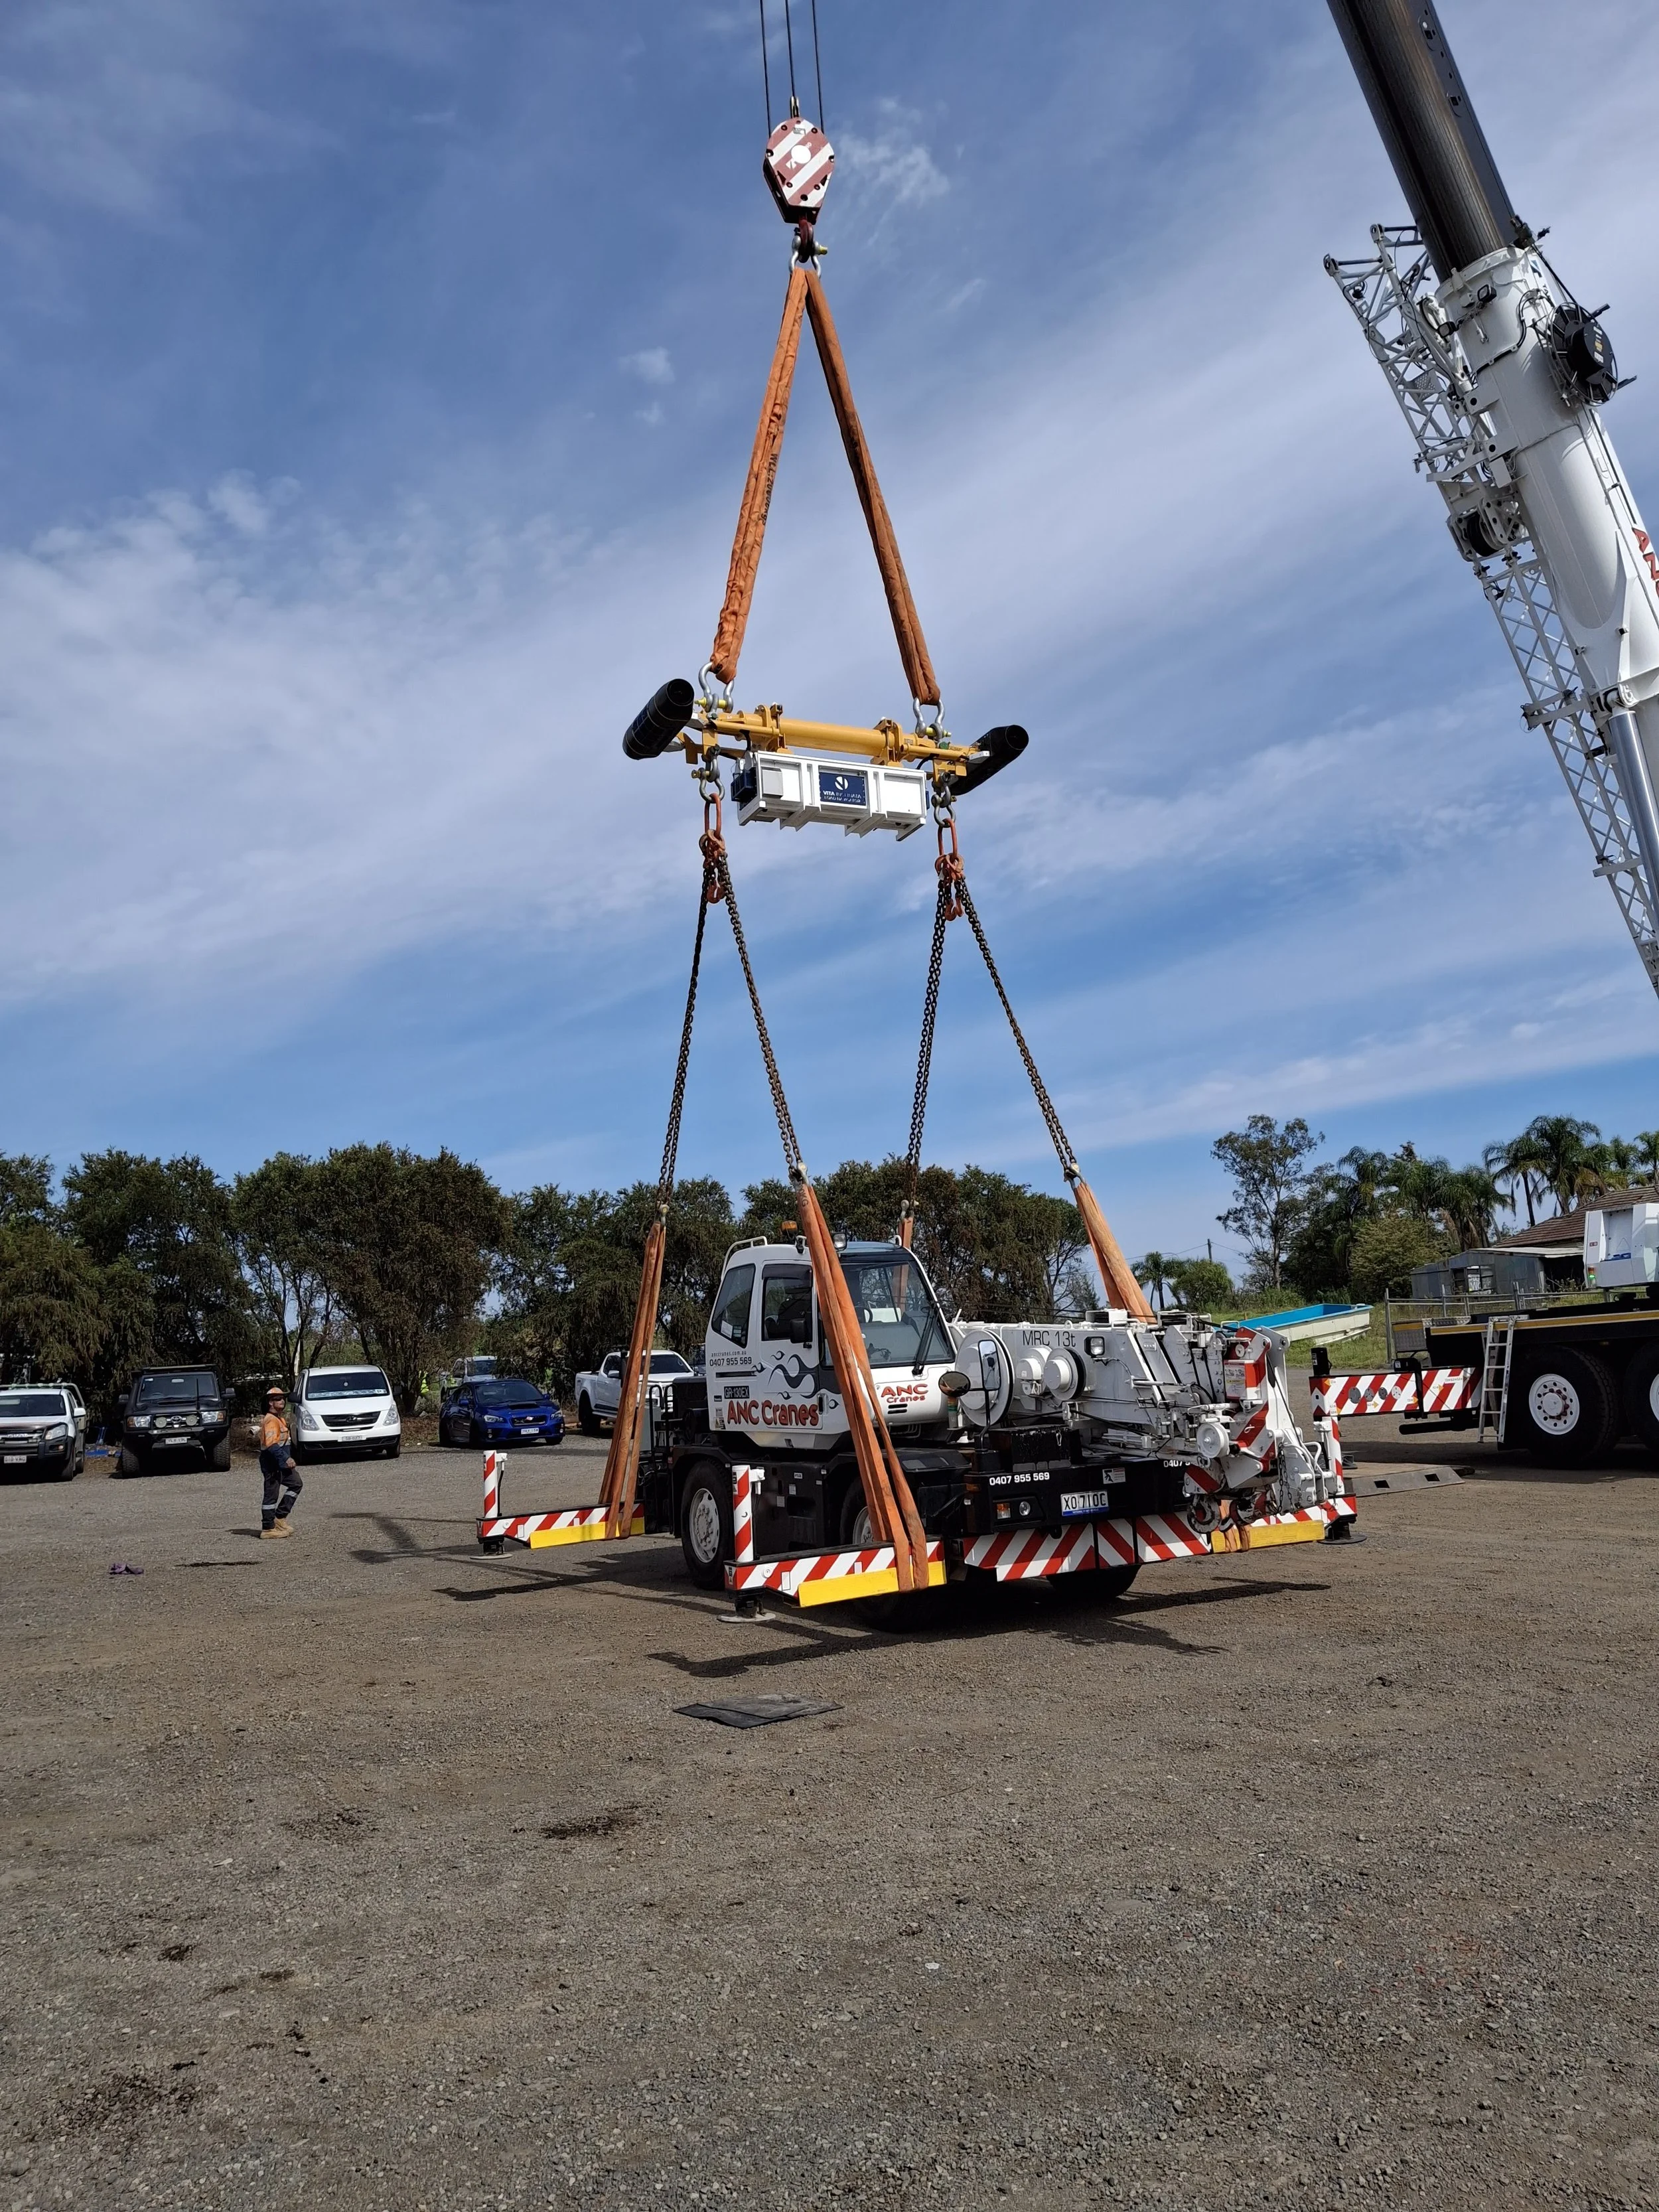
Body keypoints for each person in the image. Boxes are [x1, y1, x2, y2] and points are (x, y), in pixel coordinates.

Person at [257, 1386, 303, 1540]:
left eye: (283, 1398)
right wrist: (286, 1458)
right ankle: (268, 1528)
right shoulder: (270, 1420)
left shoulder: (279, 1419)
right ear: (271, 1403)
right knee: (271, 1495)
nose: (282, 1400)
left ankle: (280, 1517)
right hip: (272, 1463)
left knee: (296, 1483)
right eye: (278, 1399)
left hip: (280, 1464)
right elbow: (271, 1445)